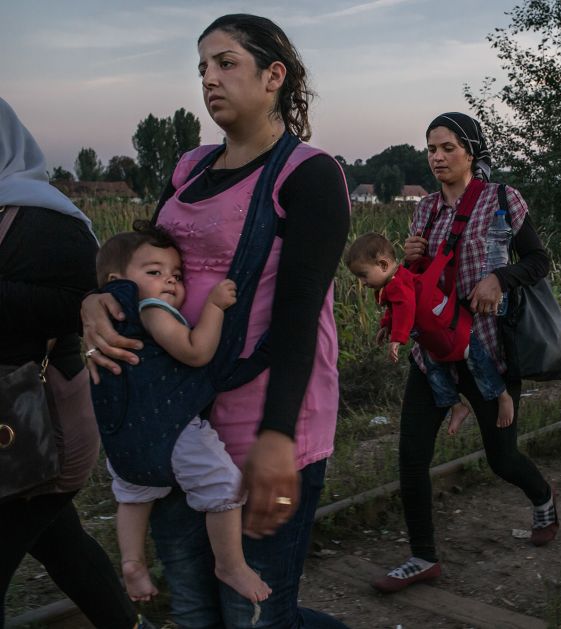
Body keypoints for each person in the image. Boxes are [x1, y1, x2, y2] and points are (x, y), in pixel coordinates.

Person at [81, 14, 350, 629]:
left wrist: (278, 437)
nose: (210, 78)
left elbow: (300, 313)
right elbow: (136, 259)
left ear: (273, 75)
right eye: (203, 66)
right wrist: (96, 300)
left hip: (265, 412)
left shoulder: (307, 174)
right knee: (195, 605)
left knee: (256, 608)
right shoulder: (189, 168)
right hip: (177, 418)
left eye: (226, 62)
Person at [371, 112, 559, 594]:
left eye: (447, 147)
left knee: (501, 459)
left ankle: (542, 496)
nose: (436, 157)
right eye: (431, 149)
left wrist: (500, 278)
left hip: (489, 350)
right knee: (411, 457)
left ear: (471, 151)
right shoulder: (425, 209)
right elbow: (418, 282)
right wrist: (411, 260)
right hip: (433, 354)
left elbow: (539, 260)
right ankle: (422, 557)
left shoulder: (502, 199)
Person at [0, 98, 150, 628]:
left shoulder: (45, 220)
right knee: (64, 547)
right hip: (15, 430)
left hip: (43, 426)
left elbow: (89, 304)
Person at [95, 223, 271, 604]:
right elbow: (195, 351)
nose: (170, 283)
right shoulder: (151, 309)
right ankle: (231, 564)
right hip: (169, 426)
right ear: (117, 281)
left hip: (124, 438)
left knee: (133, 494)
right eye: (154, 272)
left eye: (176, 275)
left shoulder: (108, 322)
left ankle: (132, 562)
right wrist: (213, 306)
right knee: (224, 484)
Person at [344, 231, 514, 434]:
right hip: (433, 335)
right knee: (433, 370)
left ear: (382, 265)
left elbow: (405, 307)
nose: (362, 282)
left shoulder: (398, 284)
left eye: (363, 275)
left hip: (451, 330)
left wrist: (397, 339)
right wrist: (386, 326)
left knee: (478, 362)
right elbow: (394, 309)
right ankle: (456, 406)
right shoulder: (392, 283)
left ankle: (502, 395)